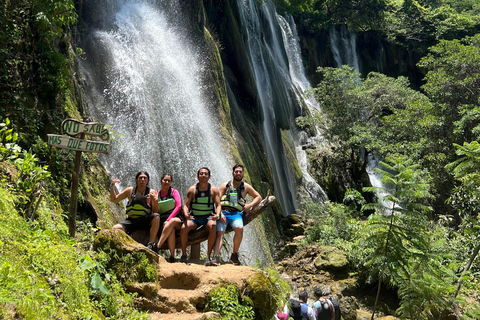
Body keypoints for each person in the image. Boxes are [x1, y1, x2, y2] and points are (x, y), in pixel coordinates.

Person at [212, 164, 262, 266]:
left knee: (239, 228)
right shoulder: (225, 185)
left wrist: (250, 205)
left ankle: (234, 255)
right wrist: (219, 214)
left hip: (236, 214)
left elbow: (258, 197)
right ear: (233, 173)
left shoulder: (246, 187)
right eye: (236, 171)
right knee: (220, 233)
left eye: (240, 172)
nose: (238, 173)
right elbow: (217, 201)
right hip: (224, 213)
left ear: (243, 173)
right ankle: (215, 257)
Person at [180, 167, 222, 265]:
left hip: (208, 217)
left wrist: (217, 215)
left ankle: (207, 256)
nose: (203, 176)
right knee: (184, 228)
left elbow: (218, 205)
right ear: (198, 176)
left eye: (205, 174)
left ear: (209, 176)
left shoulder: (214, 190)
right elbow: (185, 205)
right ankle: (184, 254)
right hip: (195, 217)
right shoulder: (192, 190)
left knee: (213, 226)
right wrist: (186, 213)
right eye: (201, 174)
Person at [110, 171, 160, 250]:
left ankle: (150, 243)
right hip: (131, 221)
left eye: (145, 178)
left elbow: (155, 211)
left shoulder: (151, 192)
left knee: (157, 217)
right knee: (115, 228)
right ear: (136, 180)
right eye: (140, 178)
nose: (142, 180)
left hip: (144, 221)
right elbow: (114, 199)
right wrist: (112, 186)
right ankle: (121, 249)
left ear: (148, 181)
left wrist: (155, 200)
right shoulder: (129, 190)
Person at [155, 174, 183, 262]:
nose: (167, 182)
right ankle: (172, 256)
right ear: (161, 181)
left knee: (171, 222)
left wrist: (168, 220)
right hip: (163, 220)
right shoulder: (156, 193)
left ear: (171, 182)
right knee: (171, 230)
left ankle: (157, 247)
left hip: (177, 218)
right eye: (165, 180)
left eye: (169, 181)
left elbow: (178, 206)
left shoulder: (174, 192)